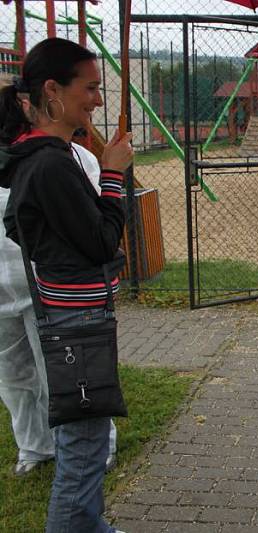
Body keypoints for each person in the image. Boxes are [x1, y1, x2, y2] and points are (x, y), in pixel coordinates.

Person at [0, 37, 132, 532]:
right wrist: (115, 175)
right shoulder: (52, 162)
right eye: (91, 87)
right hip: (77, 323)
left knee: (87, 437)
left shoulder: (37, 156)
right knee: (84, 446)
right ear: (53, 90)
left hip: (67, 312)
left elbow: (18, 225)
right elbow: (101, 241)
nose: (98, 99)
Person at [0, 130, 118, 478]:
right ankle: (34, 446)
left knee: (68, 375)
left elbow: (90, 225)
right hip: (3, 291)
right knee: (13, 376)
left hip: (49, 287)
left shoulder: (69, 159)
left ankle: (98, 446)